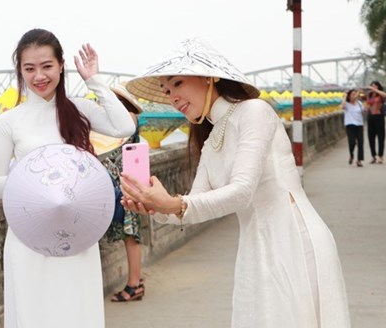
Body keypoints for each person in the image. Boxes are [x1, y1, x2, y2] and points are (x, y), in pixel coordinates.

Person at [120, 37, 350, 328]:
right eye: (166, 90)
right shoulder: (211, 139)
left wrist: (173, 204)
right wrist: (153, 206)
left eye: (178, 83)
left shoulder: (254, 112)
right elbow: (192, 206)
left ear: (210, 77)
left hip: (293, 239)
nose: (172, 97)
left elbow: (242, 191)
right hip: (255, 250)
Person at [0, 29, 136, 328]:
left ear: (61, 66)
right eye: (29, 69)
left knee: (76, 312)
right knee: (35, 313)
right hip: (30, 237)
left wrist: (94, 79)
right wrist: (35, 186)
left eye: (47, 66)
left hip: (77, 236)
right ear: (20, 72)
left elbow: (124, 127)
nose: (39, 75)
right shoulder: (8, 121)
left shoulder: (79, 109)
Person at [101, 85, 146, 302]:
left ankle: (134, 285)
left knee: (131, 235)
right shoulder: (129, 118)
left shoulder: (126, 118)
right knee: (131, 234)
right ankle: (137, 280)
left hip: (125, 183)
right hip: (129, 180)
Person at [340, 88, 365, 167]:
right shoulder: (347, 104)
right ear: (349, 96)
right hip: (350, 124)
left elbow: (364, 111)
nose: (354, 95)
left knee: (360, 143)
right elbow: (342, 107)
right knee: (352, 142)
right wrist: (344, 96)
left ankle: (359, 160)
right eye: (352, 94)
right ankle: (351, 155)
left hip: (359, 124)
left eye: (355, 94)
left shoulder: (359, 103)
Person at [365, 81, 386, 164]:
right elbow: (367, 104)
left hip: (379, 117)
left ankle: (380, 156)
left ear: (378, 87)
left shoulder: (381, 95)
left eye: (375, 86)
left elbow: (385, 95)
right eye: (372, 86)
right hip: (370, 117)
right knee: (371, 137)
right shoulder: (369, 95)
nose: (373, 87)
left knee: (381, 137)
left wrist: (375, 90)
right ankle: (373, 156)